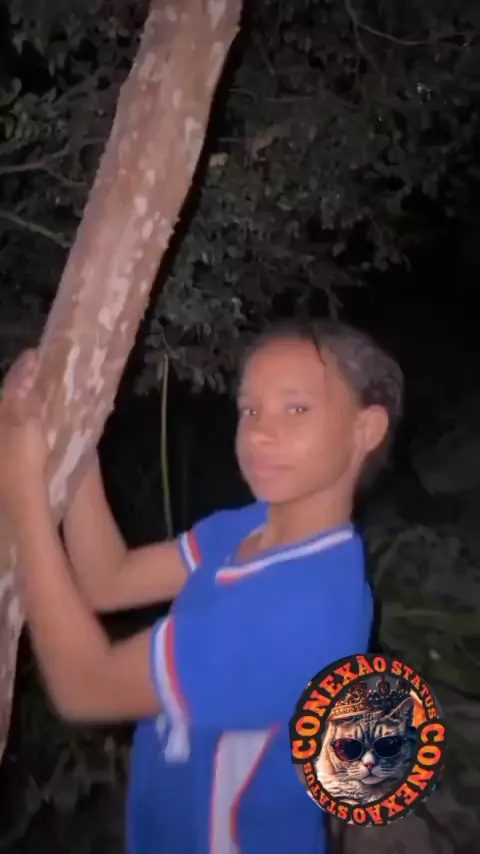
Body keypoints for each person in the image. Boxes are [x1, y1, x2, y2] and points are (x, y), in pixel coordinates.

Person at [0, 318, 403, 854]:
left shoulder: (306, 606)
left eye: (296, 409)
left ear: (365, 430)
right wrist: (74, 446)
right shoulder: (253, 527)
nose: (259, 432)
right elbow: (109, 580)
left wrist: (21, 490)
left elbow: (85, 688)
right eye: (250, 410)